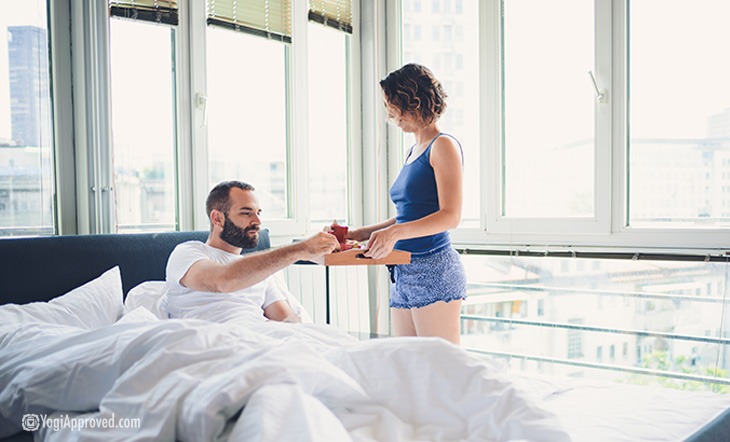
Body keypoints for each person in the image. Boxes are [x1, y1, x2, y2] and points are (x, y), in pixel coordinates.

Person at [333, 63, 467, 345]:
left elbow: (450, 216)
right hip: (403, 269)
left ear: (413, 101)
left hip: (433, 269)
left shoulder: (443, 146)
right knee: (408, 366)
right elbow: (410, 216)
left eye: (391, 105)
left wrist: (395, 234)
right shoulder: (413, 151)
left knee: (441, 369)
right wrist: (361, 233)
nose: (390, 114)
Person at [165, 180, 339, 325]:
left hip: (259, 337)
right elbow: (223, 281)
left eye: (258, 213)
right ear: (217, 218)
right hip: (212, 340)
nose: (257, 221)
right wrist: (300, 249)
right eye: (246, 213)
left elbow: (286, 319)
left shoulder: (259, 270)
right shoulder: (188, 252)